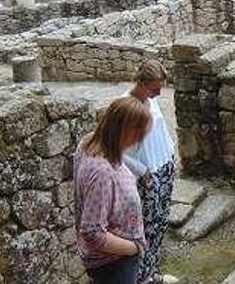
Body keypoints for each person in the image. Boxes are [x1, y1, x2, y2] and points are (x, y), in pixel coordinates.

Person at [74, 96, 151, 284]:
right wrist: (134, 247)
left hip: (114, 259)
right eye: (140, 133)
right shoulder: (103, 172)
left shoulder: (89, 143)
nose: (141, 140)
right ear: (125, 130)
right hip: (113, 263)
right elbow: (92, 231)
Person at [123, 61, 179, 284]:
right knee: (147, 227)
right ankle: (141, 276)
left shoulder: (150, 100)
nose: (159, 93)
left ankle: (152, 271)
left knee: (162, 221)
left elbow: (160, 130)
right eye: (155, 88)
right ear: (141, 82)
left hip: (164, 166)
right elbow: (115, 149)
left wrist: (171, 154)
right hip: (147, 175)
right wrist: (142, 171)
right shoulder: (125, 105)